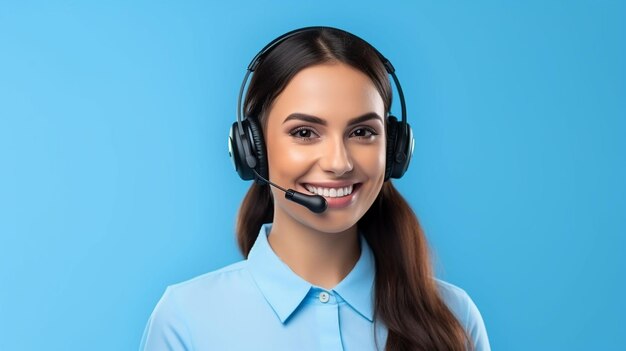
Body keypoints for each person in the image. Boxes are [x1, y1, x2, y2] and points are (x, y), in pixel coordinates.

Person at [139, 26, 491, 351]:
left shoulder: (453, 316)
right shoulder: (186, 318)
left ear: (394, 148)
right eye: (304, 133)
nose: (339, 163)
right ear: (253, 150)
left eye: (362, 132)